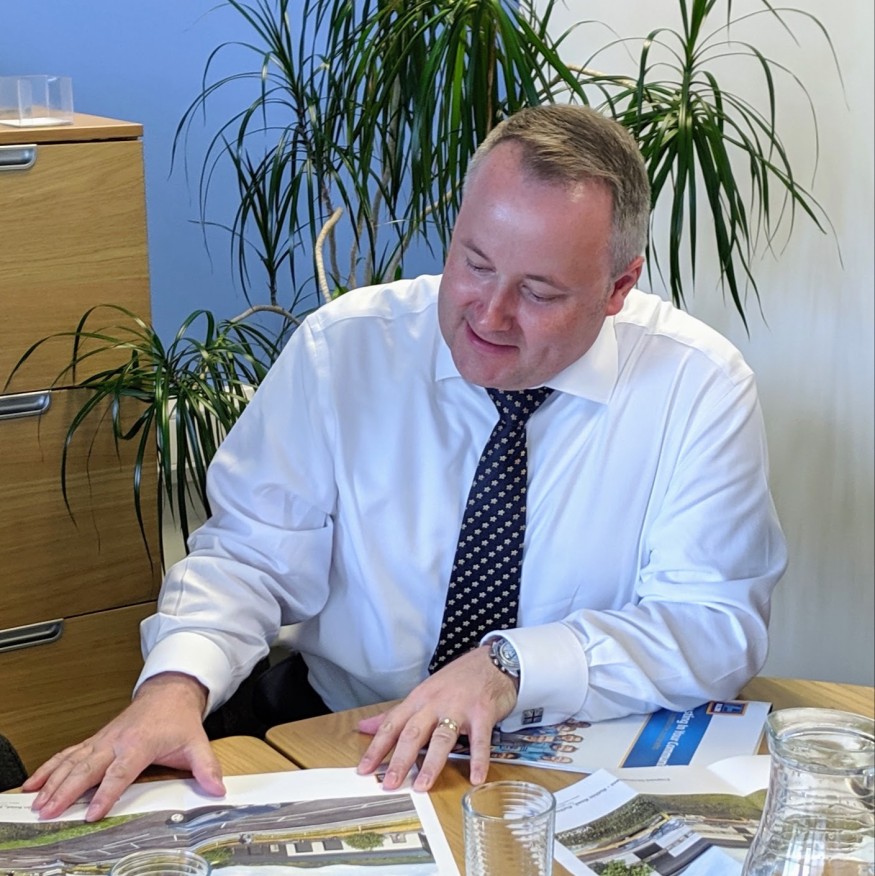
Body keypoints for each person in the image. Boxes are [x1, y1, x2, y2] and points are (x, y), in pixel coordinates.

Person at [24, 103, 786, 821]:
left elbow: (712, 621)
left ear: (618, 287)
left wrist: (508, 667)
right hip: (339, 725)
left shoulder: (695, 384)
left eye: (539, 292)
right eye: (474, 264)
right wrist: (173, 685)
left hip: (567, 745)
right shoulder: (343, 348)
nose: (489, 314)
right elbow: (249, 558)